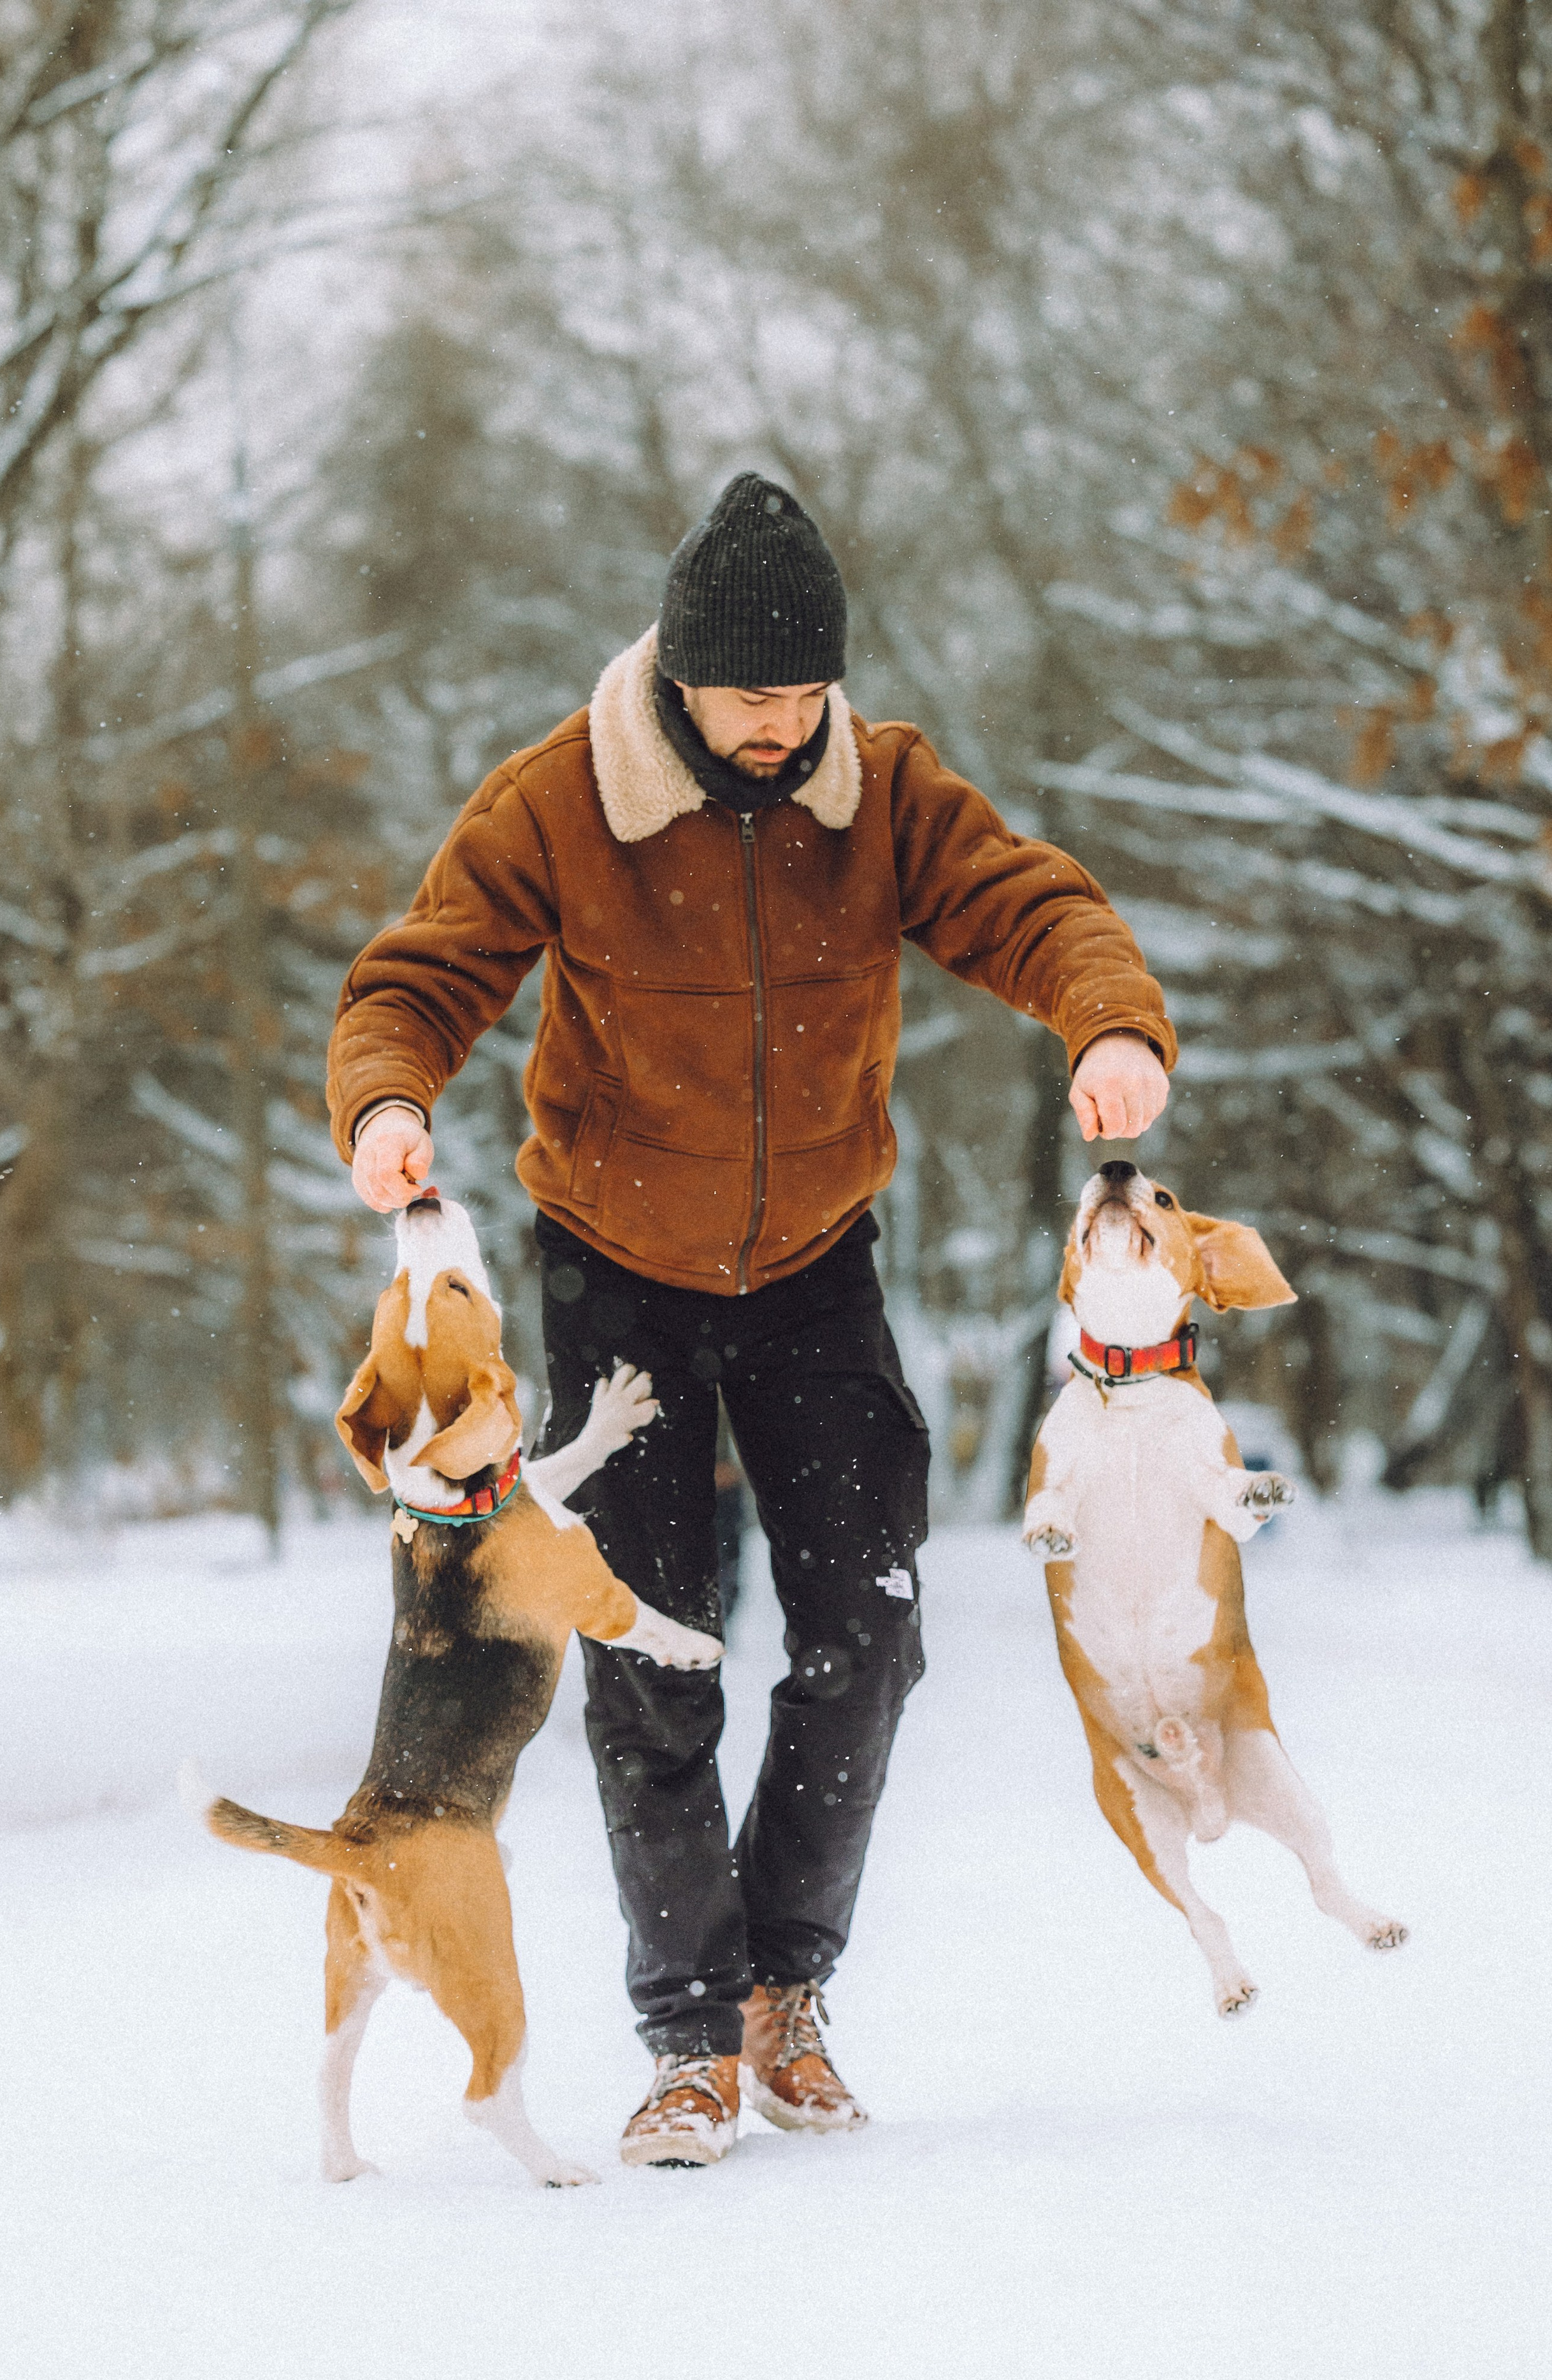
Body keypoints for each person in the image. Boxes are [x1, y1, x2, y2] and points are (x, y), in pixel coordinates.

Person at [327, 473, 1174, 2168]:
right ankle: (688, 2036)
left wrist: (1108, 1026)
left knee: (869, 1629)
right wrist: (389, 1102)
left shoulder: (886, 792)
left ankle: (787, 1991)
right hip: (618, 1270)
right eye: (751, 695)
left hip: (814, 1266)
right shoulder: (565, 799)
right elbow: (420, 973)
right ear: (680, 676)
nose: (784, 724)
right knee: (652, 1653)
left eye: (808, 691)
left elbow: (1038, 908)